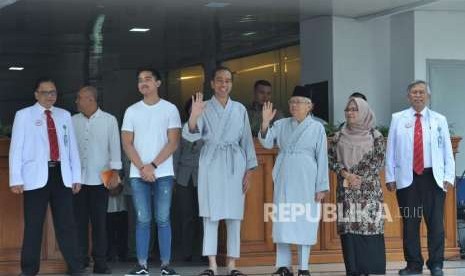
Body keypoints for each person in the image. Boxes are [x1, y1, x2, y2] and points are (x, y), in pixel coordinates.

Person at [183, 66, 257, 276]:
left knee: (234, 216)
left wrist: (249, 171)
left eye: (227, 81)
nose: (223, 84)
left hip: (235, 163)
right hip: (211, 162)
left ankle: (232, 264)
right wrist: (193, 116)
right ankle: (212, 264)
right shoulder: (203, 106)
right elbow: (190, 137)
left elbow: (246, 142)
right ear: (212, 84)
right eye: (219, 80)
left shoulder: (240, 109)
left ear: (231, 84)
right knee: (210, 215)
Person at [9, 77, 84, 276]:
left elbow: (72, 148)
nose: (50, 96)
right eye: (45, 92)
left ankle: (76, 268)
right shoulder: (24, 115)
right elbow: (16, 149)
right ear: (36, 94)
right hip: (35, 178)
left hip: (62, 175)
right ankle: (29, 270)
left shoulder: (64, 115)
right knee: (33, 226)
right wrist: (16, 178)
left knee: (67, 224)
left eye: (53, 92)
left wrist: (76, 176)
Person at [385, 80, 455, 276]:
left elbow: (447, 151)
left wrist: (449, 176)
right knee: (410, 223)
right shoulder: (398, 118)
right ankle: (414, 264)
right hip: (408, 180)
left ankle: (436, 264)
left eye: (421, 92)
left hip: (433, 178)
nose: (418, 95)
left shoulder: (439, 119)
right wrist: (390, 176)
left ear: (428, 96)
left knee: (435, 224)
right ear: (408, 97)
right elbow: (390, 150)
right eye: (414, 92)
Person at [259, 85, 329, 276]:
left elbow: (322, 158)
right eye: (292, 102)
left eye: (298, 102)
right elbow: (266, 143)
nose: (294, 105)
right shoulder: (281, 124)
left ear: (309, 106)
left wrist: (321, 186)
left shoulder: (317, 128)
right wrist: (265, 123)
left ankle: (304, 267)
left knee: (304, 221)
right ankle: (283, 266)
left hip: (307, 179)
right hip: (285, 178)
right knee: (283, 221)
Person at [121, 68, 181, 276]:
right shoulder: (131, 111)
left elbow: (173, 142)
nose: (143, 83)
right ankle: (142, 265)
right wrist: (142, 168)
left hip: (162, 173)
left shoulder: (170, 109)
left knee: (163, 219)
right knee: (143, 219)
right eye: (140, 80)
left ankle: (165, 265)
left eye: (148, 79)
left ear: (158, 83)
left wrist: (152, 166)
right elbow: (127, 143)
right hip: (139, 174)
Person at [328, 97, 386, 276]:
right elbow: (331, 159)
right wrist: (346, 174)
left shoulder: (375, 136)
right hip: (346, 191)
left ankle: (371, 271)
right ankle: (352, 271)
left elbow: (378, 161)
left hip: (368, 192)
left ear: (363, 112)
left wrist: (358, 176)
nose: (350, 113)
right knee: (350, 234)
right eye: (348, 109)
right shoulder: (338, 136)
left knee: (370, 233)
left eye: (354, 109)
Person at [72, 85, 122, 274]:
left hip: (101, 179)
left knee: (100, 222)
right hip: (78, 181)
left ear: (91, 99)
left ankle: (100, 262)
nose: (76, 101)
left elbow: (115, 148)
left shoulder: (109, 120)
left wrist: (115, 174)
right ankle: (81, 260)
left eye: (80, 98)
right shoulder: (72, 120)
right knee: (79, 222)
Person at [174, 98, 204, 262]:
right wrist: (173, 177)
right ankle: (186, 252)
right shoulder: (181, 130)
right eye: (194, 108)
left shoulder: (208, 129)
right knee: (186, 216)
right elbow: (175, 154)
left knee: (203, 216)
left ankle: (204, 252)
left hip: (204, 176)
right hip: (184, 177)